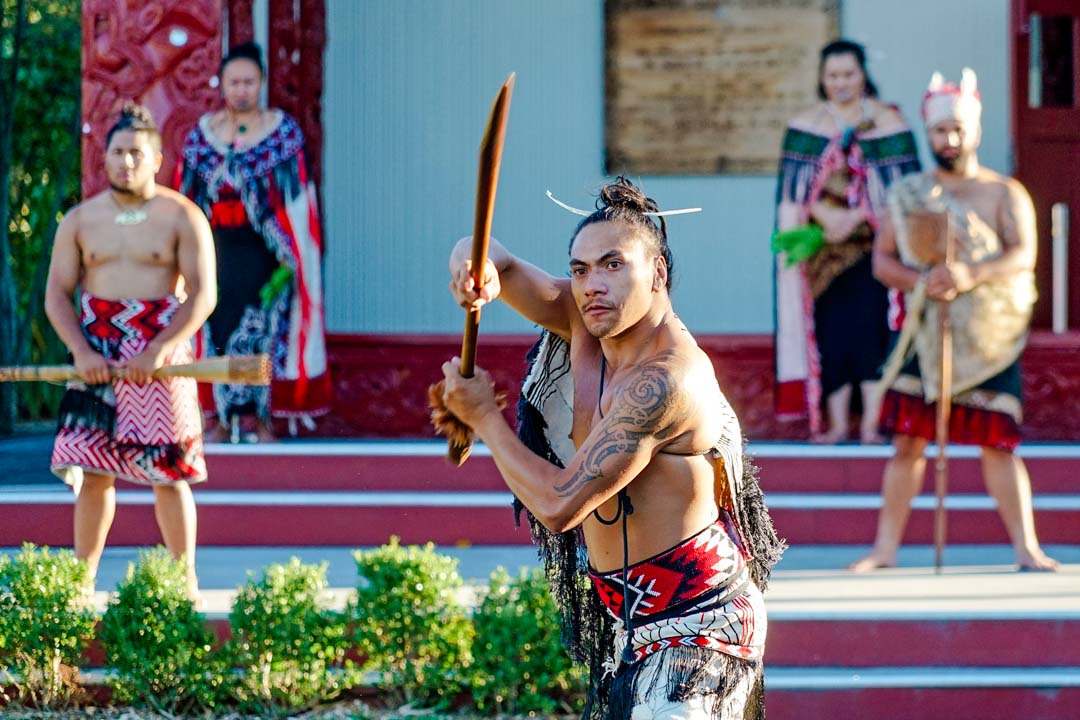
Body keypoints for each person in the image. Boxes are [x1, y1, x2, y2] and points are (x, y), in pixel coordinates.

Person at [437, 178, 783, 719]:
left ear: (658, 272)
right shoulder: (584, 319)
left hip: (702, 625)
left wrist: (485, 417)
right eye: (579, 269)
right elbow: (494, 260)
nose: (592, 284)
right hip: (634, 623)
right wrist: (471, 266)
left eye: (613, 264)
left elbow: (558, 505)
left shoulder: (665, 382)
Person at [850, 69, 1059, 572]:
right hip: (926, 331)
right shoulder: (910, 192)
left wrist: (968, 273)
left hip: (989, 335)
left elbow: (1022, 255)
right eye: (941, 131)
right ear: (929, 133)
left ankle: (1026, 549)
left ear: (975, 131)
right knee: (909, 442)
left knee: (998, 443)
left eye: (958, 130)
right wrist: (926, 281)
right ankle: (885, 550)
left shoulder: (1004, 193)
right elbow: (883, 263)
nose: (950, 139)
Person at [45, 103, 217, 600]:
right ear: (105, 157)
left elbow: (203, 294)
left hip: (161, 356)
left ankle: (184, 581)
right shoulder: (80, 219)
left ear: (157, 158)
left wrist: (159, 349)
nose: (126, 162)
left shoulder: (183, 215)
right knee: (93, 471)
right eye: (118, 153)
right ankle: (81, 582)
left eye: (136, 153)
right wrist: (80, 350)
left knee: (170, 472)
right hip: (95, 352)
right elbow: (58, 293)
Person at [176, 41, 329, 443]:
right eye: (234, 82)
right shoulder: (201, 139)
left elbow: (299, 205)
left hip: (267, 256)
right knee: (217, 331)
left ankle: (262, 419)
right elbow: (185, 202)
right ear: (222, 85)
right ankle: (221, 419)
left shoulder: (283, 135)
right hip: (217, 254)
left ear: (260, 83)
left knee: (265, 333)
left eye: (249, 81)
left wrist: (291, 258)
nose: (241, 89)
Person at [774, 39, 921, 444]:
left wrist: (858, 215)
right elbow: (792, 195)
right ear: (822, 79)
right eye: (832, 75)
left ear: (863, 75)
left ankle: (873, 425)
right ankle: (837, 425)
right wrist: (823, 215)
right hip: (821, 254)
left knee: (872, 333)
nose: (840, 82)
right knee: (832, 335)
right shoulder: (805, 126)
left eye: (848, 74)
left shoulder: (890, 123)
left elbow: (905, 191)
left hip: (876, 251)